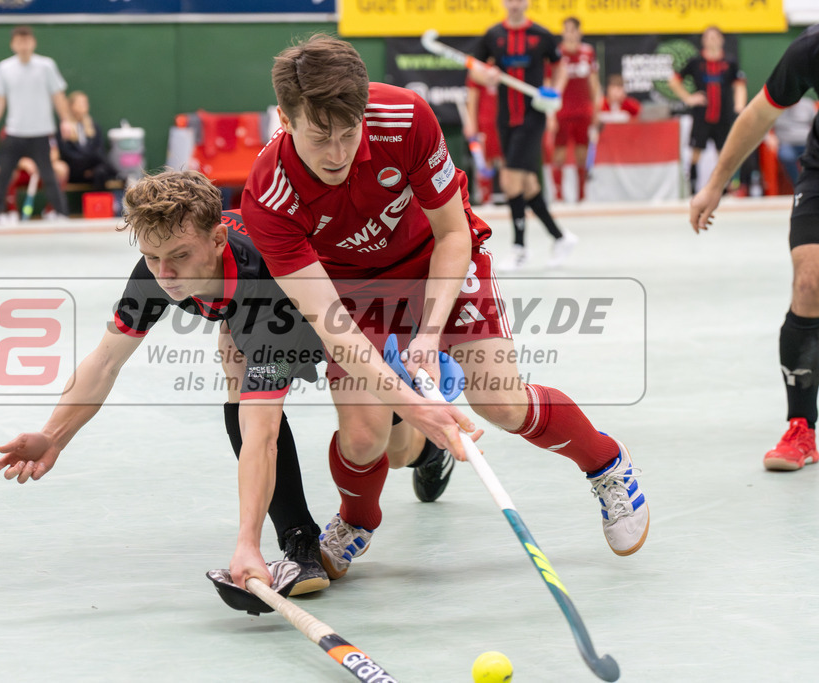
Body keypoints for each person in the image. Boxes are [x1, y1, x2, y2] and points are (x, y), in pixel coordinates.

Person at [241, 34, 649, 581]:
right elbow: (331, 325)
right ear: (285, 121)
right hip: (352, 290)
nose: (337, 153)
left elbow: (453, 231)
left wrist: (427, 337)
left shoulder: (405, 118)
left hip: (435, 259)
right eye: (320, 137)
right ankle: (356, 519)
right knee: (364, 436)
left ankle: (606, 464)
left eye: (348, 132)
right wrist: (413, 406)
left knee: (500, 402)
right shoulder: (268, 195)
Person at [0, 169, 334, 595]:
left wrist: (245, 545)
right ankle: (301, 541)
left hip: (325, 304)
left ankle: (426, 450)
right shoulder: (156, 269)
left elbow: (262, 436)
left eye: (179, 256)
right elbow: (104, 362)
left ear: (217, 240)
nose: (165, 274)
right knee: (238, 372)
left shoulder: (263, 283)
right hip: (245, 314)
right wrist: (54, 435)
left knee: (385, 443)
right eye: (153, 257)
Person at [690, 25, 819, 472]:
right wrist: (714, 185)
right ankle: (801, 426)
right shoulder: (811, 48)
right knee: (809, 280)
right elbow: (757, 116)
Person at [470, 0, 577, 270]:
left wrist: (557, 91)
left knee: (509, 180)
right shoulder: (493, 35)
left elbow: (560, 66)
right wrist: (488, 77)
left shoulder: (541, 35)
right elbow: (475, 70)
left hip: (533, 116)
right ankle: (560, 237)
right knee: (527, 184)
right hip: (505, 117)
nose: (514, 4)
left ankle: (519, 248)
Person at [0, 25, 75, 224]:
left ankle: (61, 213)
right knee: (3, 175)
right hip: (15, 132)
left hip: (41, 133)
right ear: (12, 44)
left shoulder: (46, 66)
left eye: (27, 40)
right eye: (19, 41)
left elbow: (58, 96)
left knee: (49, 175)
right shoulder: (4, 68)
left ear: (33, 42)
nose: (23, 45)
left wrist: (66, 120)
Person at [669, 26, 747, 194]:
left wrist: (739, 107)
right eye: (708, 37)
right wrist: (689, 98)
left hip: (723, 116)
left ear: (722, 40)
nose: (712, 40)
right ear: (703, 41)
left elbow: (740, 85)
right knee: (696, 153)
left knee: (725, 154)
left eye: (715, 36)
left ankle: (725, 189)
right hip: (702, 116)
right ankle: (692, 188)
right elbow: (674, 81)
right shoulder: (696, 62)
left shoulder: (730, 62)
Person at [547, 17, 600, 203]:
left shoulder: (588, 52)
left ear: (579, 32)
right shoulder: (556, 54)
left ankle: (581, 196)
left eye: (572, 30)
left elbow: (594, 83)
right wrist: (550, 114)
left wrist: (596, 109)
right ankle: (559, 196)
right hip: (562, 111)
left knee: (582, 154)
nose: (569, 34)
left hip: (583, 110)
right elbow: (549, 84)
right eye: (566, 30)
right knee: (559, 154)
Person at [1, 135, 70, 222]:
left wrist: (42, 163)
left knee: (62, 168)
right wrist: (23, 162)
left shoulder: (46, 130)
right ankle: (12, 212)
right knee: (9, 173)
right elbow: (9, 154)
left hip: (43, 170)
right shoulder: (13, 130)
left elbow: (54, 153)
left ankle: (50, 211)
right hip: (23, 172)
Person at [58, 91, 117, 190]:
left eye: (85, 103)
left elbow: (99, 150)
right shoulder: (65, 128)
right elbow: (66, 152)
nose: (84, 106)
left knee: (101, 171)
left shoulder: (94, 127)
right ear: (71, 106)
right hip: (75, 170)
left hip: (93, 169)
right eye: (80, 103)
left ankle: (99, 204)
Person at [464, 75, 503, 206]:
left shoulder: (504, 65)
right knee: (484, 161)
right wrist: (470, 123)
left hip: (504, 122)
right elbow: (472, 99)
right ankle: (486, 198)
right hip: (484, 123)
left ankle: (512, 196)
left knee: (506, 160)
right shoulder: (478, 71)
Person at [772, 96, 816, 186]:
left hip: (807, 142)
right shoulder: (775, 107)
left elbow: (816, 124)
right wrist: (770, 138)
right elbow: (763, 126)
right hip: (786, 143)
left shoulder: (807, 104)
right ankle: (799, 185)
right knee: (786, 156)